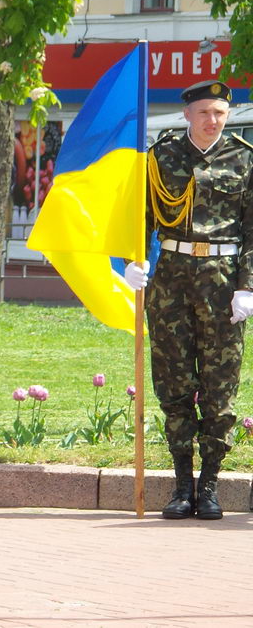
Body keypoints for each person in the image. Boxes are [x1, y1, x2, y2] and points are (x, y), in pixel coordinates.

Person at [124, 79, 253, 521]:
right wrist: (131, 260)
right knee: (174, 384)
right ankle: (182, 486)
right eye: (204, 112)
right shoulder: (159, 157)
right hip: (171, 281)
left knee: (219, 387)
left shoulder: (244, 158)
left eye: (219, 113)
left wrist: (247, 286)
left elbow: (252, 229)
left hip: (223, 283)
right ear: (187, 115)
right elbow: (137, 216)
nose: (211, 121)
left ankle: (210, 485)